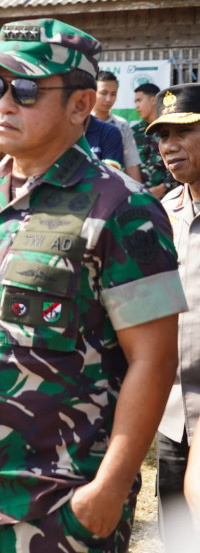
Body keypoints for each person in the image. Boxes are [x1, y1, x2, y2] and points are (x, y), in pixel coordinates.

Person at [0, 18, 186, 553]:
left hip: (61, 505)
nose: (3, 104)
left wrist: (113, 485)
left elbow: (154, 359)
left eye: (25, 89)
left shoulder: (123, 208)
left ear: (80, 106)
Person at [145, 83, 200, 550]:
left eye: (183, 132)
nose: (168, 147)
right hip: (173, 412)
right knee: (178, 536)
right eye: (162, 136)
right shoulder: (163, 213)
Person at [93, 71, 143, 181]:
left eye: (113, 94)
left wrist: (139, 195)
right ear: (92, 92)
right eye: (103, 93)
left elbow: (131, 165)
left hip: (113, 189)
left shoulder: (122, 126)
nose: (109, 99)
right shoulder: (80, 123)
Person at [132, 83, 179, 198]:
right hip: (140, 197)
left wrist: (165, 187)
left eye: (139, 100)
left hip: (171, 196)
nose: (136, 106)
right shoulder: (133, 132)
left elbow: (181, 160)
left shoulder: (172, 128)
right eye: (135, 102)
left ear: (153, 100)